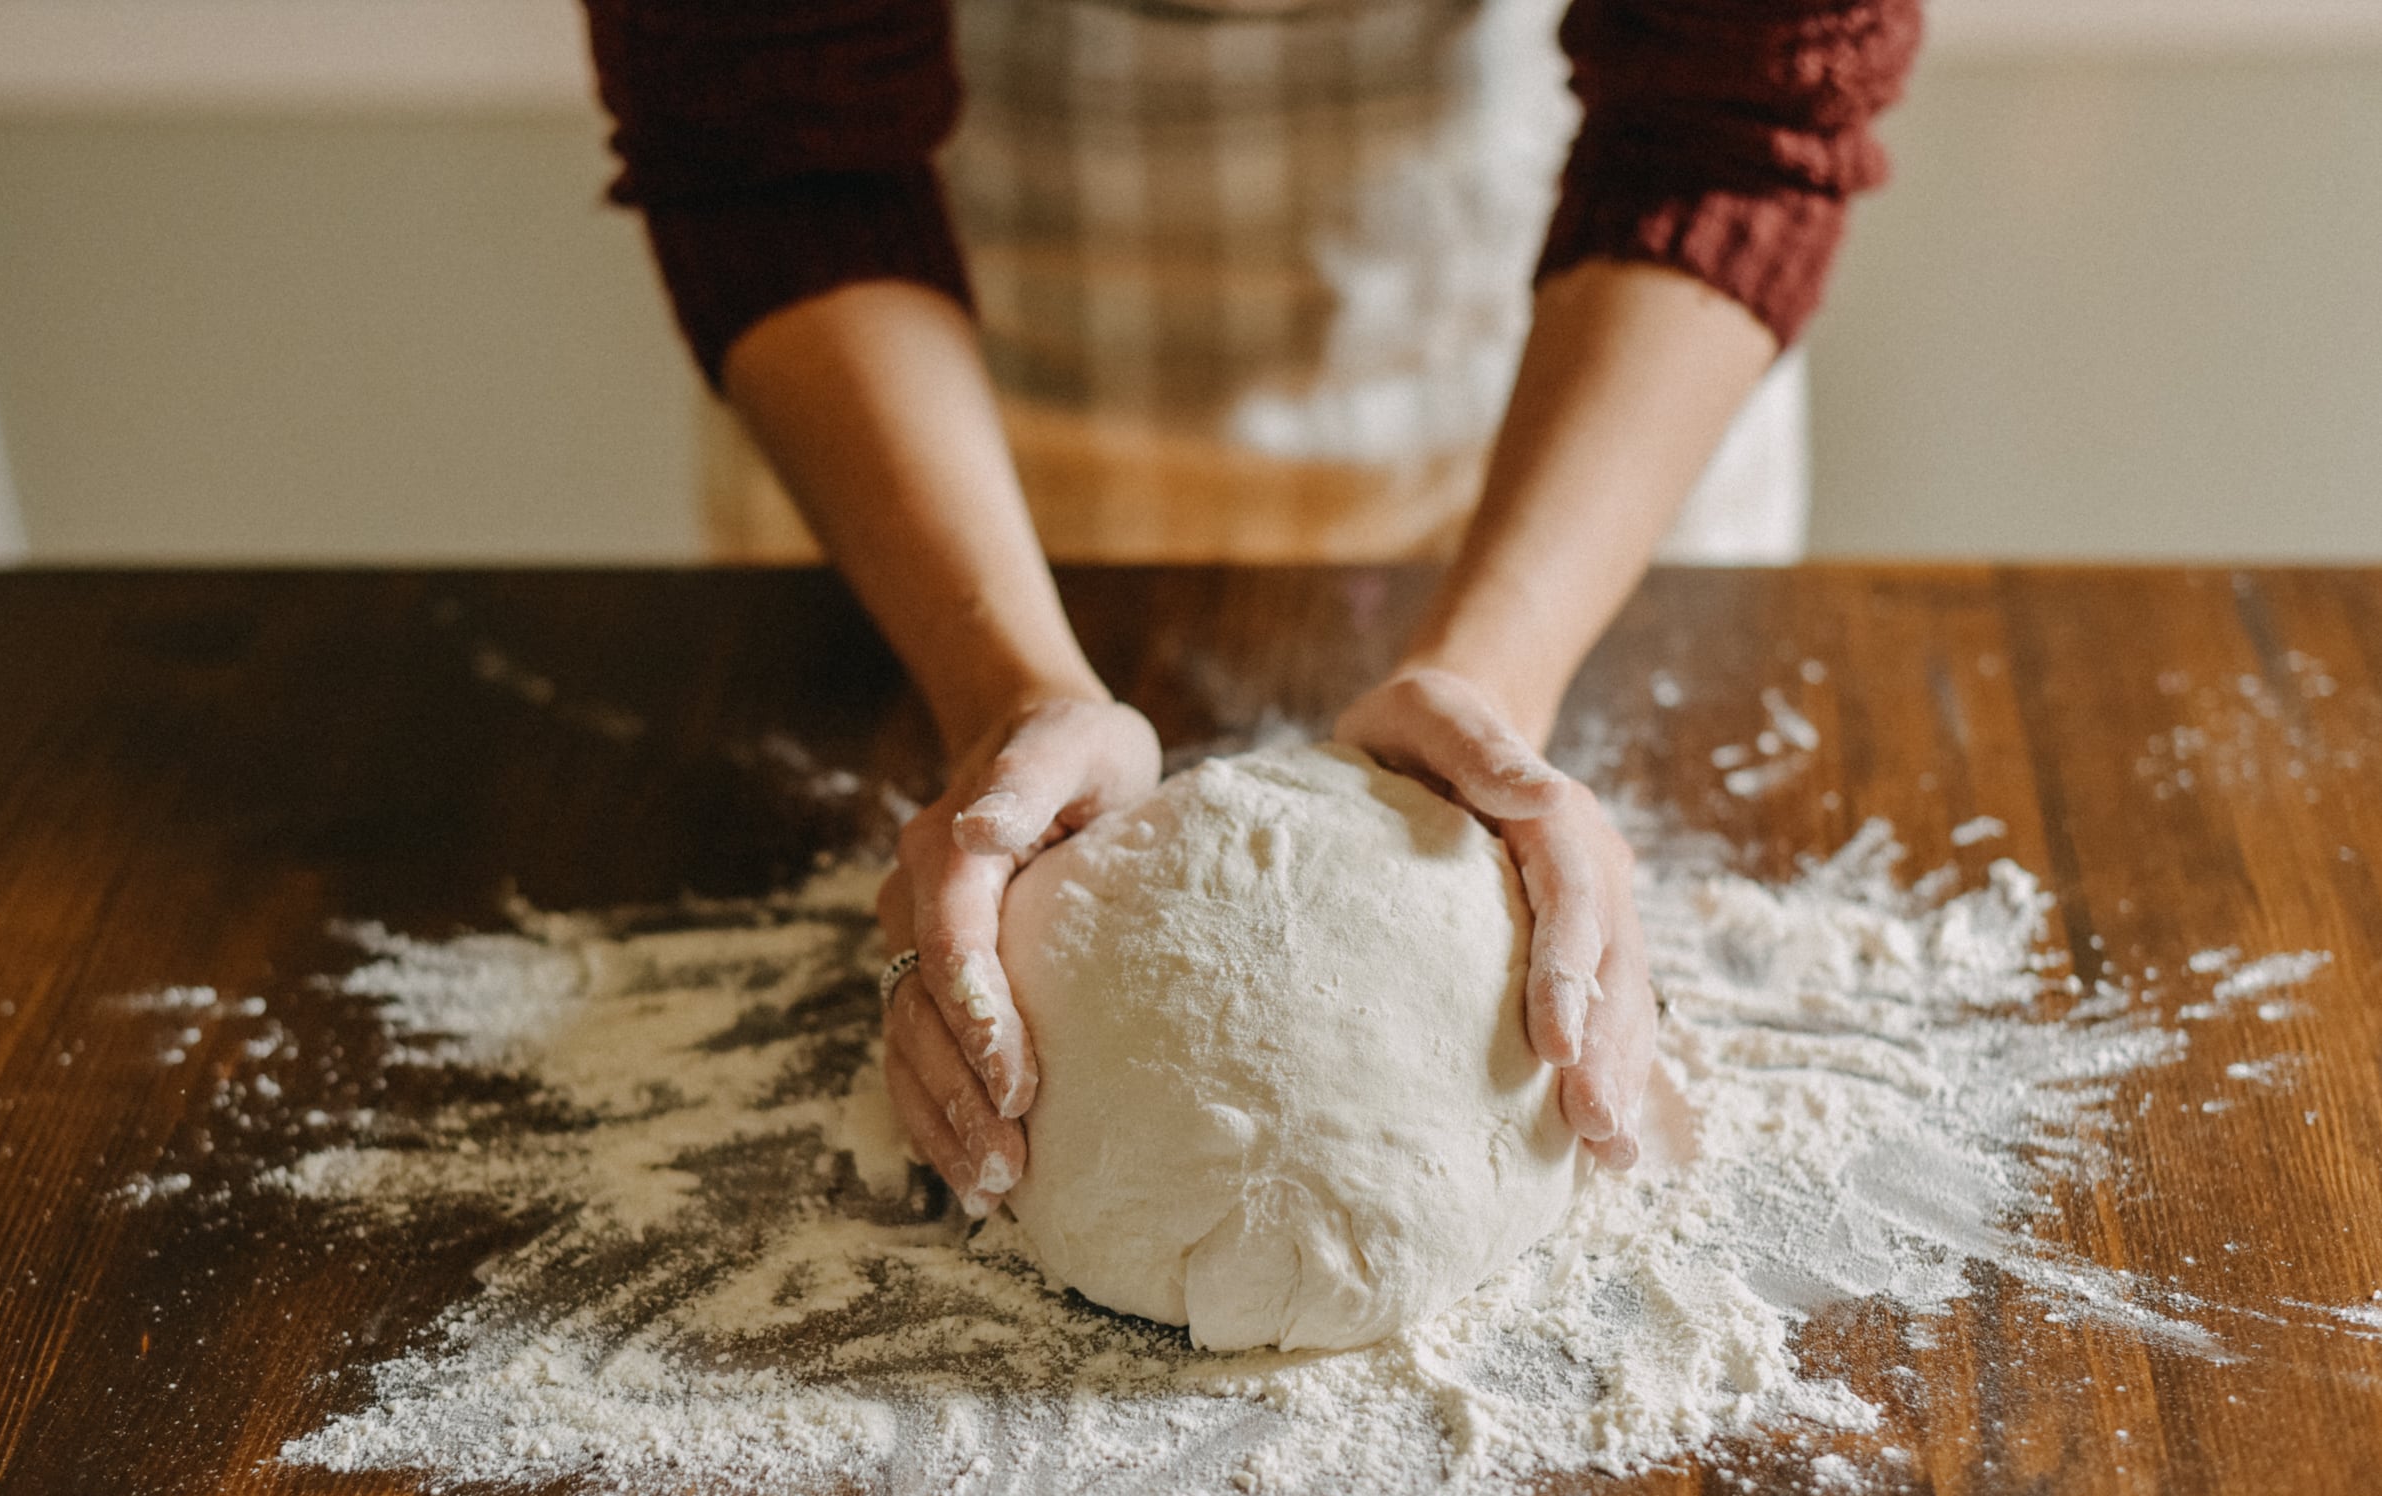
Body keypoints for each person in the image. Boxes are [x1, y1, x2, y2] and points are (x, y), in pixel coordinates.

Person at [578, 0, 1921, 1216]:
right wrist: (1005, 695)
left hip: (1546, 354)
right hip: (922, 356)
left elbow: (1736, 114)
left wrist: (1496, 691)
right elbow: (772, 142)